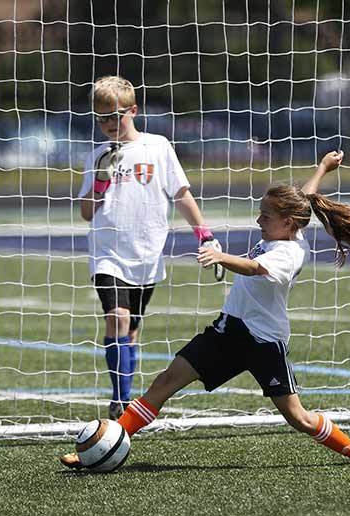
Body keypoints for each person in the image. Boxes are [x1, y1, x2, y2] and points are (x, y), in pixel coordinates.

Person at [61, 150, 350, 468]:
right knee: (164, 382)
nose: (258, 219)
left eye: (265, 216)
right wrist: (323, 168)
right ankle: (105, 445)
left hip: (264, 342)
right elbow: (305, 198)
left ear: (289, 223)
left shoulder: (291, 252)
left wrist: (221, 256)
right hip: (227, 332)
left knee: (298, 417)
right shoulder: (290, 225)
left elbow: (255, 268)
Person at [79, 76, 221, 420]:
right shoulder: (98, 155)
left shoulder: (157, 146)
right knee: (117, 317)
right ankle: (121, 400)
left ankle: (124, 393)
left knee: (131, 330)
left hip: (146, 255)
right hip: (108, 254)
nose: (109, 125)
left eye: (116, 117)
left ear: (134, 111)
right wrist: (100, 182)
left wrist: (204, 234)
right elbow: (86, 212)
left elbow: (181, 194)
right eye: (102, 119)